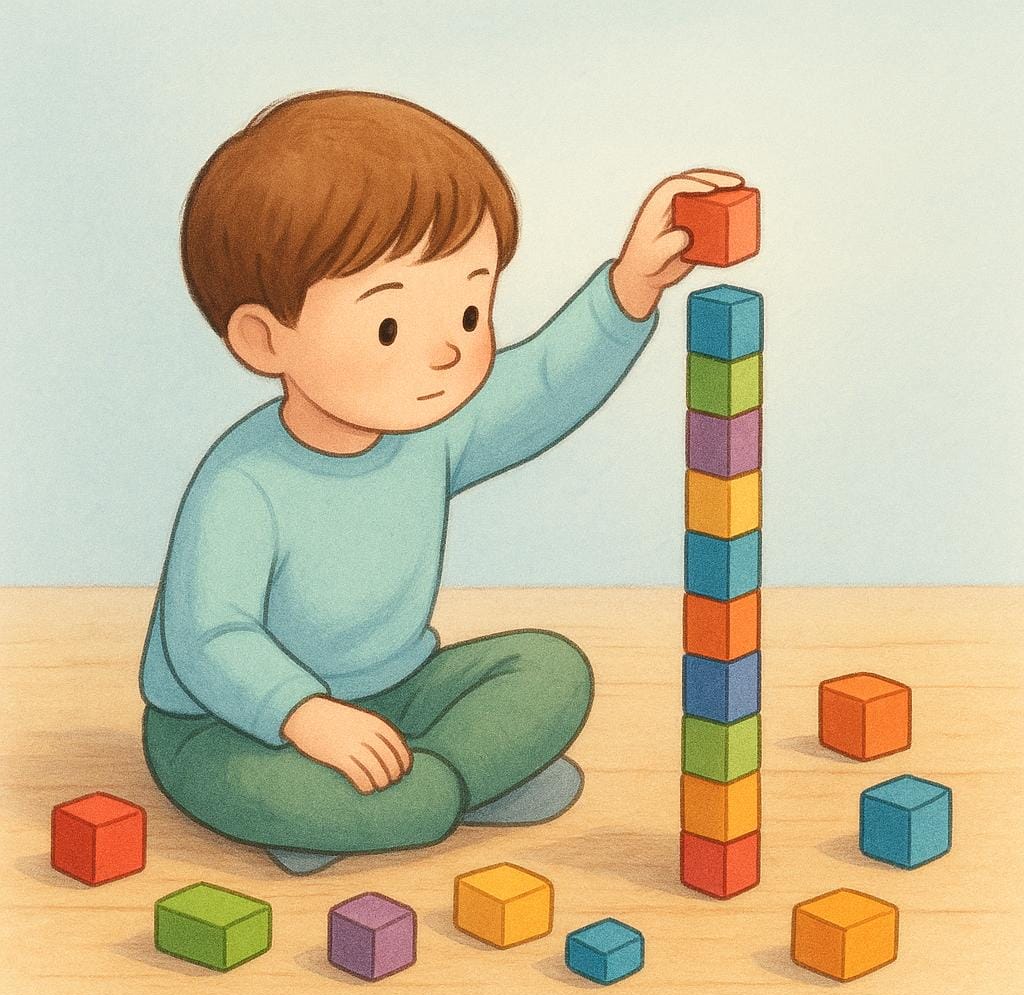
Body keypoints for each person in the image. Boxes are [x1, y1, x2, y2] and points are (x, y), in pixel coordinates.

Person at [138, 89, 742, 874]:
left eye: (468, 310)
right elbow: (209, 639)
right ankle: (430, 793)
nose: (450, 352)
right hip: (227, 728)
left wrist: (630, 286)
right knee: (343, 791)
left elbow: (539, 388)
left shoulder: (429, 435)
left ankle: (411, 795)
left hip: (399, 691)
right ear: (263, 339)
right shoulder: (243, 482)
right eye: (390, 326)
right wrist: (304, 715)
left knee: (552, 671)